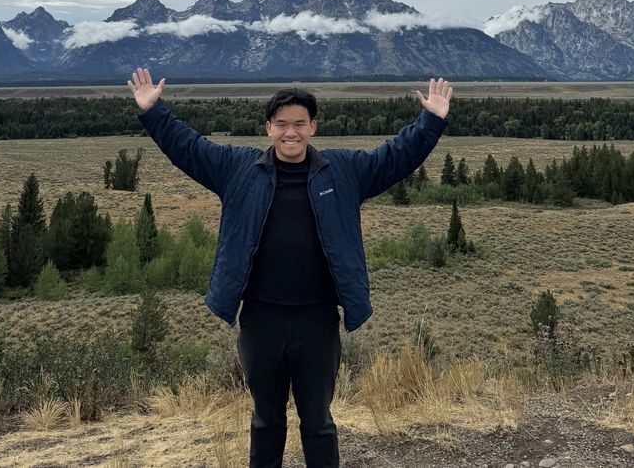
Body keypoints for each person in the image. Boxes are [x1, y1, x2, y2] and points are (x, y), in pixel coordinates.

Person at [128, 67, 452, 468]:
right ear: (268, 128)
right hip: (260, 319)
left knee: (317, 421)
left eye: (299, 123)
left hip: (317, 319)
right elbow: (190, 148)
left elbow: (396, 156)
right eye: (281, 124)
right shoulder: (238, 169)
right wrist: (152, 111)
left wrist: (431, 120)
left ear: (313, 127)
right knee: (266, 421)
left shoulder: (344, 171)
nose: (290, 132)